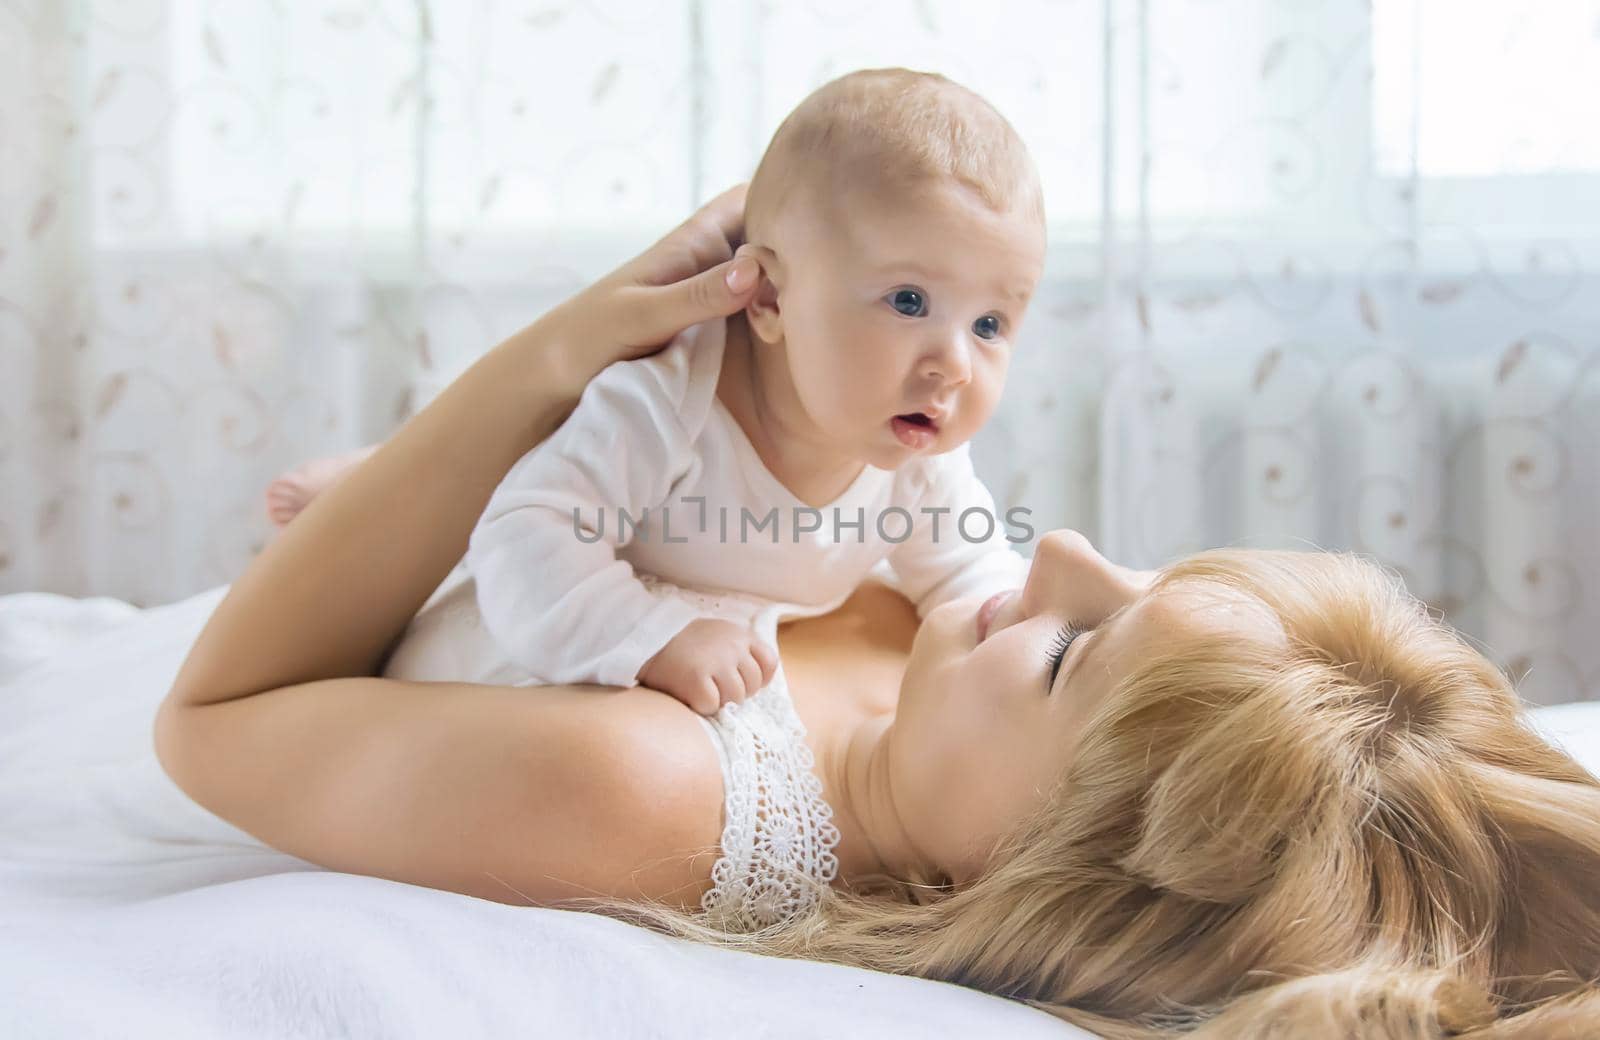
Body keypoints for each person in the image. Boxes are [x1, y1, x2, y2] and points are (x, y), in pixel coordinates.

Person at [156, 184, 1600, 1038]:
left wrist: (567, 344)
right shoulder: (955, 658)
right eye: (1153, 576)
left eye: (1077, 646)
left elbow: (210, 719)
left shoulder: (649, 783)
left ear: (1040, 862)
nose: (1067, 549)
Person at [281, 68, 1047, 718]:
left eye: (989, 323)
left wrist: (1019, 629)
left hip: (715, 578)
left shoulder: (915, 444)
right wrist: (652, 634)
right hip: (559, 559)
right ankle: (376, 481)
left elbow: (969, 568)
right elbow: (528, 536)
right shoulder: (669, 401)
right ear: (772, 300)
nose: (954, 364)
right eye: (908, 302)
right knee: (489, 500)